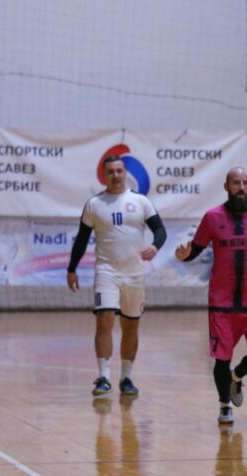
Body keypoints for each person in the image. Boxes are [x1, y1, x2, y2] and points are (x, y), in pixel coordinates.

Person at [175, 167, 247, 425]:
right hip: (222, 304)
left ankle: (236, 377)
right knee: (221, 358)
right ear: (226, 186)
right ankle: (224, 405)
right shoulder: (212, 217)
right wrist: (186, 255)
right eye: (236, 183)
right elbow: (196, 248)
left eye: (245, 183)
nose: (241, 187)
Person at [67, 155, 167, 397]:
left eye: (119, 171)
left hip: (134, 274)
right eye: (111, 171)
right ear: (104, 175)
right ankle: (103, 377)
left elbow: (160, 230)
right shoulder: (94, 204)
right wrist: (71, 269)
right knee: (105, 319)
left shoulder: (140, 201)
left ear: (125, 173)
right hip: (106, 271)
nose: (116, 175)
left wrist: (155, 246)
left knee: (131, 326)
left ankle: (126, 378)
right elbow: (81, 239)